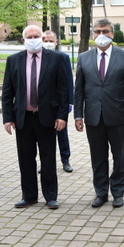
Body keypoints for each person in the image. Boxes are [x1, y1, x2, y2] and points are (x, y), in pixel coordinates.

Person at [2, 25, 70, 209]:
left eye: (36, 36)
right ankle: (29, 196)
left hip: (47, 117)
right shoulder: (13, 60)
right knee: (25, 159)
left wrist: (62, 116)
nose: (33, 39)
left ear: (42, 37)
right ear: (23, 40)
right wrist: (8, 117)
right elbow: (7, 92)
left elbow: (63, 90)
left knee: (48, 158)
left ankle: (51, 197)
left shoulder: (55, 59)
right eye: (29, 36)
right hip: (23, 118)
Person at [73, 18, 124, 208]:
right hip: (93, 117)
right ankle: (100, 192)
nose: (101, 35)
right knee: (98, 157)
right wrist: (78, 115)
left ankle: (118, 192)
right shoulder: (84, 57)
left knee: (119, 157)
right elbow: (78, 90)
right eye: (97, 32)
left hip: (118, 115)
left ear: (112, 34)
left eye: (105, 31)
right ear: (93, 34)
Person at [42, 30, 75, 173]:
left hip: (59, 104)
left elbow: (68, 80)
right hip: (44, 104)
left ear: (56, 42)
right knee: (44, 136)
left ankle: (65, 160)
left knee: (62, 133)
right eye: (45, 40)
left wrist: (69, 102)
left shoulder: (63, 57)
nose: (48, 43)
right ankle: (45, 163)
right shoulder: (37, 57)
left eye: (51, 40)